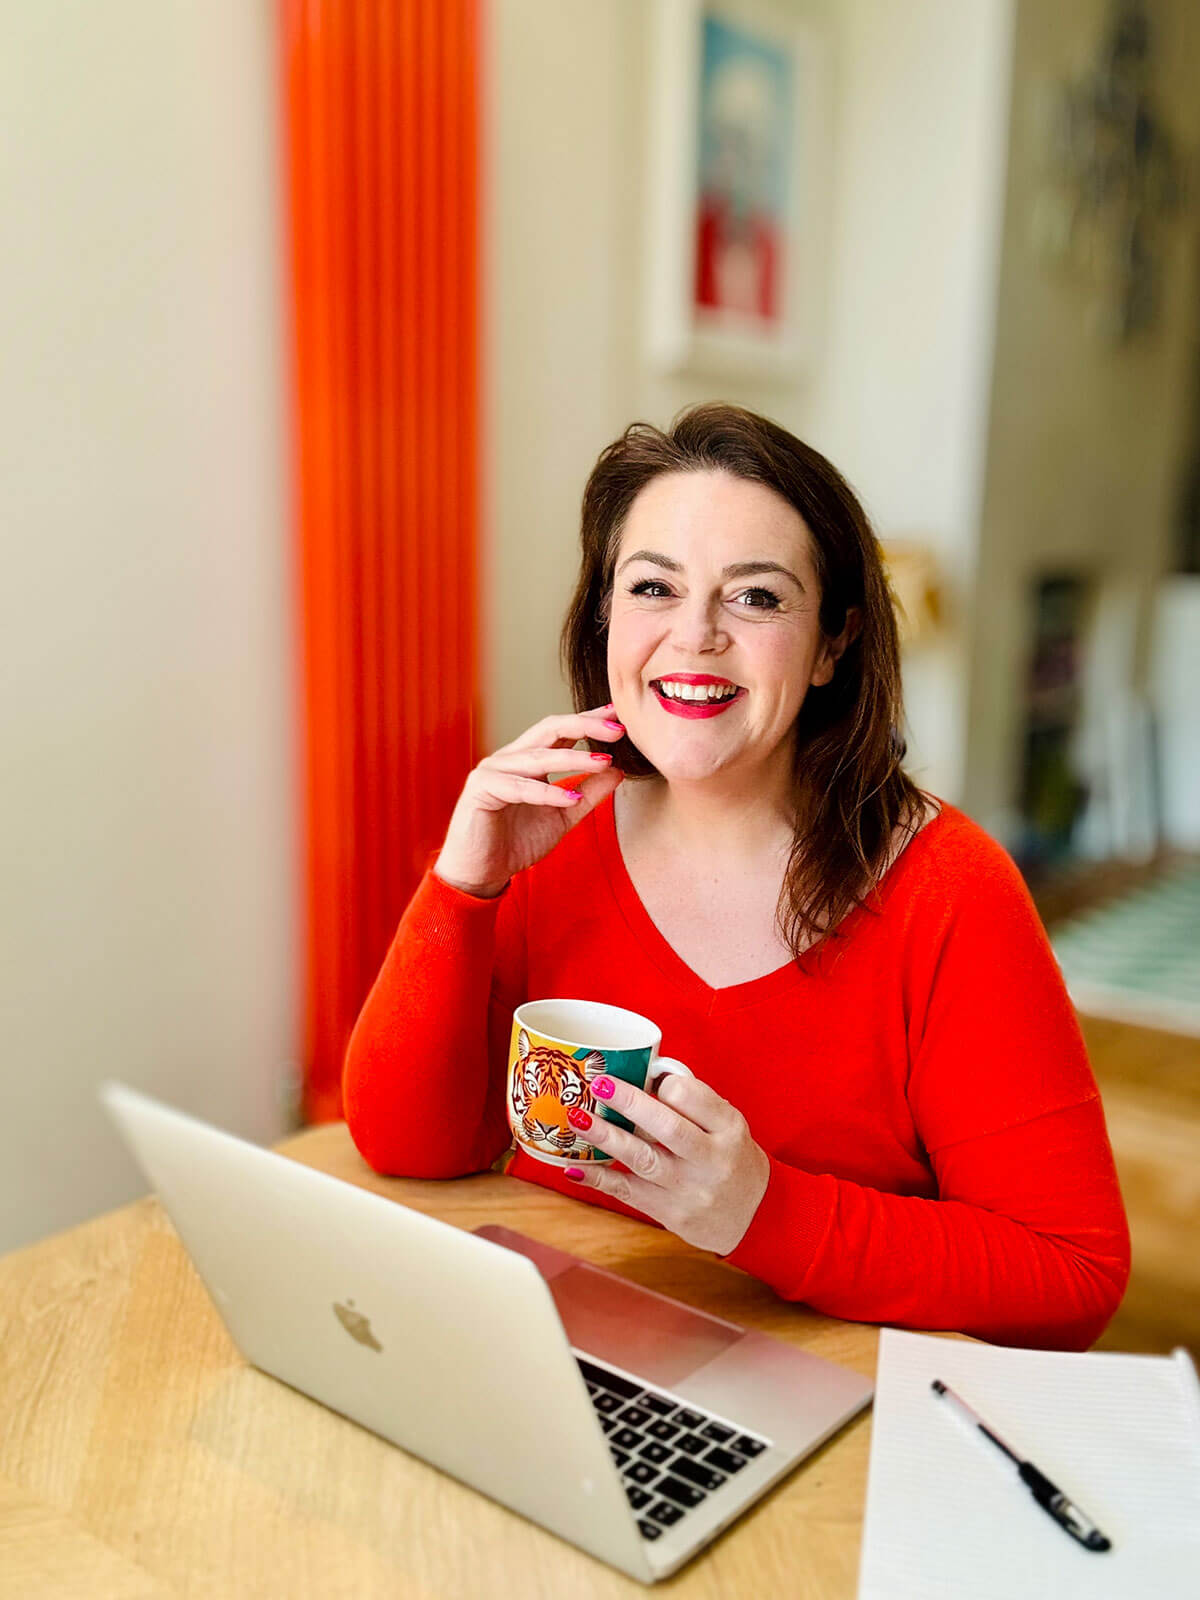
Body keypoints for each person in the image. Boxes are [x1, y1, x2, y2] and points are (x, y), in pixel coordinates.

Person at [343, 403, 1130, 1351]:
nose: (695, 637)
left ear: (835, 642)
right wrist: (463, 888)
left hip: (811, 1404)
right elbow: (408, 1145)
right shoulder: (552, 835)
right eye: (651, 588)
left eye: (755, 597)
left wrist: (763, 1213)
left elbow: (1071, 1277)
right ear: (602, 618)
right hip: (554, 1355)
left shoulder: (951, 889)